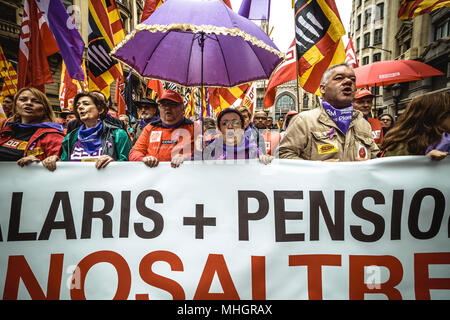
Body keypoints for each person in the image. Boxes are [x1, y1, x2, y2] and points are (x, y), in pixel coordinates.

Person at [279, 63, 379, 161]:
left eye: (353, 79)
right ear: (323, 88)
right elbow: (284, 155)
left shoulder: (363, 124)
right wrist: (319, 169)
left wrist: (369, 164)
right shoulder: (304, 121)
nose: (348, 81)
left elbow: (376, 158)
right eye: (339, 78)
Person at [42, 92, 132, 171]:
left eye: (86, 104)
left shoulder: (118, 134)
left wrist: (115, 164)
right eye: (78, 106)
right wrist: (56, 162)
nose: (80, 107)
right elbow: (64, 166)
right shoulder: (70, 138)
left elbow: (130, 166)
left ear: (100, 109)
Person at [129, 89, 198, 168]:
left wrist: (187, 157)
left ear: (182, 109)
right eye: (163, 105)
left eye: (172, 104)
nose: (167, 108)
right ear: (159, 109)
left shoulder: (194, 127)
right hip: (156, 177)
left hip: (184, 176)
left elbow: (207, 153)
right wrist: (143, 159)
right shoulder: (150, 128)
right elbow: (134, 152)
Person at [0, 87, 64, 166]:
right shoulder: (6, 130)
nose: (28, 103)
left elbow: (60, 166)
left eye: (36, 101)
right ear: (15, 105)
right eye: (23, 100)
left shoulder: (53, 136)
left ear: (44, 109)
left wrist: (39, 163)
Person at [380, 91, 449, 160]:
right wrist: (426, 162)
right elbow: (395, 169)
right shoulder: (401, 147)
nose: (385, 122)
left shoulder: (442, 138)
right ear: (434, 116)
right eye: (448, 114)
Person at [202, 108, 273, 164]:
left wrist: (266, 160)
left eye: (235, 123)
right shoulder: (210, 149)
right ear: (219, 129)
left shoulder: (253, 150)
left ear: (242, 127)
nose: (230, 127)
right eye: (225, 123)